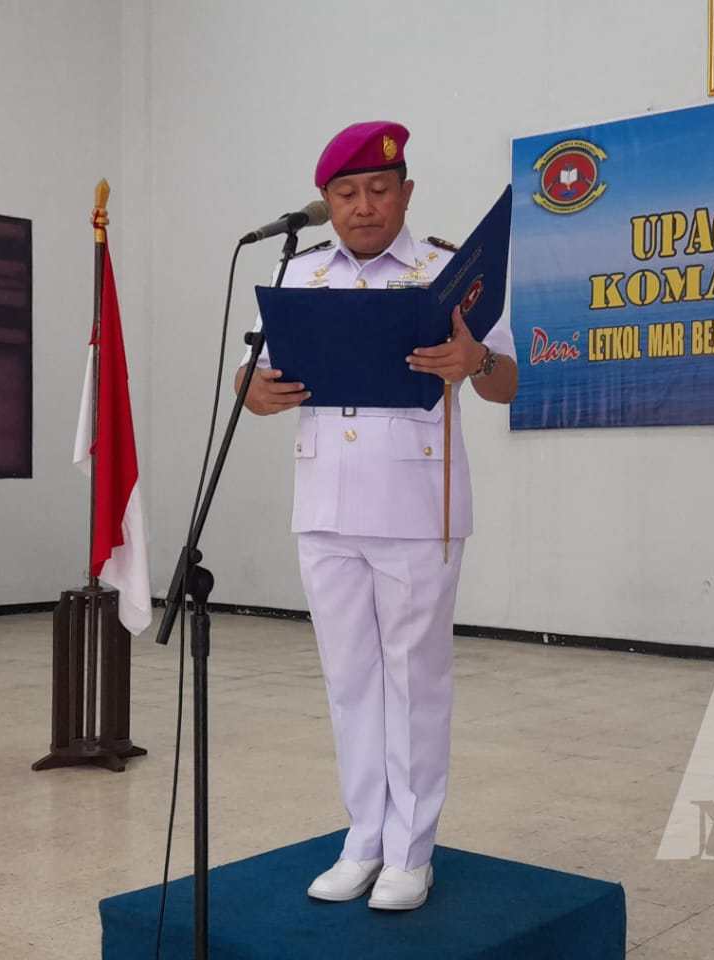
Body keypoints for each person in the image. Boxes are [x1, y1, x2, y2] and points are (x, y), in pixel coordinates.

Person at [235, 120, 518, 911]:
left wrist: (476, 360)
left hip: (417, 510)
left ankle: (410, 852)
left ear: (406, 192)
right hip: (325, 508)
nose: (363, 206)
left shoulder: (446, 271)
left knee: (414, 682)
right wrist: (251, 392)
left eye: (379, 190)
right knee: (350, 680)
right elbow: (251, 375)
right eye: (346, 193)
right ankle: (364, 838)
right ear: (326, 203)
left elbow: (508, 382)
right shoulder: (298, 274)